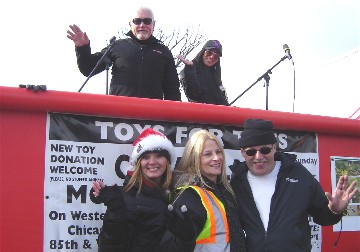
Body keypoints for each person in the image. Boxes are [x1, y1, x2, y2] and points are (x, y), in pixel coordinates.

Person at [229, 118, 358, 252]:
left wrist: (334, 211)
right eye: (251, 152)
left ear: (274, 148)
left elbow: (323, 218)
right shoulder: (237, 182)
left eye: (265, 150)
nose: (258, 156)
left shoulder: (298, 174)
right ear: (243, 152)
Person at [91, 128, 195, 252]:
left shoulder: (173, 193)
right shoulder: (128, 197)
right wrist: (116, 212)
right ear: (138, 163)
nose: (152, 162)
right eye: (145, 157)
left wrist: (186, 240)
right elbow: (109, 248)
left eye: (159, 156)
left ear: (168, 161)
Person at [67, 6, 181, 101]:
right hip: (119, 116)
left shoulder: (164, 52)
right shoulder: (117, 46)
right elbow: (88, 69)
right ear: (130, 24)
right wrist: (82, 48)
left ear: (153, 25)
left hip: (152, 118)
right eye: (137, 21)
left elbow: (173, 90)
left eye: (147, 21)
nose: (142, 25)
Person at [168, 129, 246, 251]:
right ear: (193, 158)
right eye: (207, 154)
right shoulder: (189, 196)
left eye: (218, 152)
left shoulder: (225, 190)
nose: (216, 158)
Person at [177, 40, 229, 106]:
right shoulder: (189, 70)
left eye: (216, 56)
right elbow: (193, 96)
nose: (211, 57)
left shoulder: (215, 76)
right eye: (209, 53)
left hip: (218, 113)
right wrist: (190, 70)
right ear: (203, 52)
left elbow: (222, 100)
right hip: (200, 113)